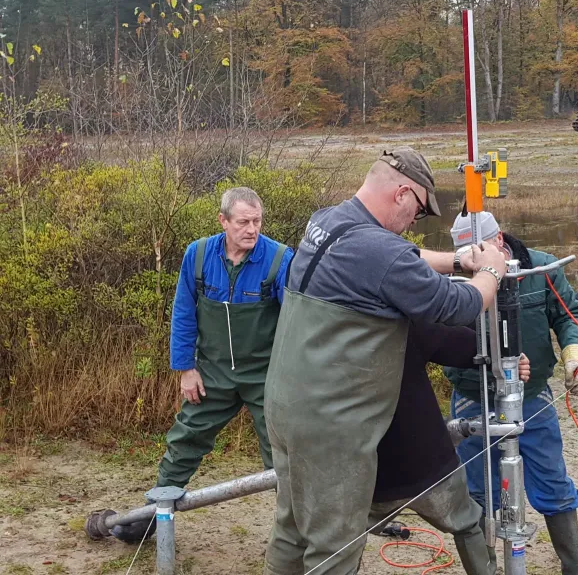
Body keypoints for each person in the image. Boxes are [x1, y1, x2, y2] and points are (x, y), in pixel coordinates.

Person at [264, 147, 508, 575]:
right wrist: (490, 271)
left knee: (293, 527)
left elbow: (398, 256)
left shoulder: (327, 221)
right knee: (334, 547)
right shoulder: (379, 251)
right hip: (333, 428)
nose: (415, 222)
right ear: (402, 194)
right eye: (419, 211)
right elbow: (458, 305)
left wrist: (457, 259)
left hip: (286, 409)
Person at [112, 187, 292, 542]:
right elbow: (183, 313)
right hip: (212, 372)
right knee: (186, 438)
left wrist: (293, 379)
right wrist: (186, 368)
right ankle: (151, 517)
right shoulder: (197, 255)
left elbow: (297, 323)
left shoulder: (280, 259)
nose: (252, 230)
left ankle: (295, 534)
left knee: (283, 453)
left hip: (266, 375)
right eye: (243, 222)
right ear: (223, 221)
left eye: (257, 221)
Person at [446, 211, 578, 575]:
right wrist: (494, 364)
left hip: (532, 397)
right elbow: (440, 339)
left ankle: (574, 568)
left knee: (554, 486)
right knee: (476, 495)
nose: (472, 263)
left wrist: (574, 354)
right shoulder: (452, 281)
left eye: (477, 252)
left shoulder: (540, 269)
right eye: (464, 256)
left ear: (499, 240)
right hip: (473, 399)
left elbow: (570, 314)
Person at [370, 323, 531, 575]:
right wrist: (505, 356)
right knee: (467, 525)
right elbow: (467, 347)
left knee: (337, 544)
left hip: (368, 471)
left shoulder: (325, 330)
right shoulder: (404, 324)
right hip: (428, 466)